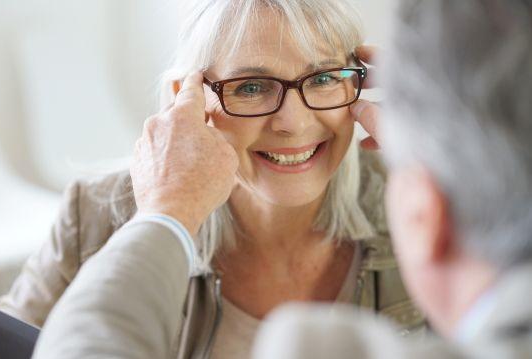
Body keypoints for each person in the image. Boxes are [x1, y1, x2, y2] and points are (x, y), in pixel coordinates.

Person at [32, 0, 532, 358]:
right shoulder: (96, 217)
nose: (292, 122)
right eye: (250, 86)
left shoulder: (422, 206)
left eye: (322, 78)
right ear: (189, 99)